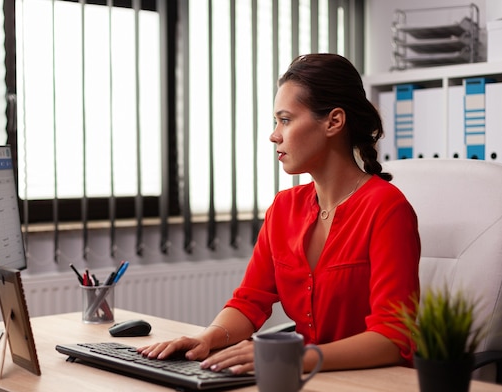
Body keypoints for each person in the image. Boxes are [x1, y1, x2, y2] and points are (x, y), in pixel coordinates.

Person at [138, 53, 420, 375]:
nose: (275, 134)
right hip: (305, 382)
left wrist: (295, 359)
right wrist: (206, 338)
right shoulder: (284, 208)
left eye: (285, 120)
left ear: (334, 122)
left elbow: (393, 337)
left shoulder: (387, 209)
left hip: (375, 387)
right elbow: (249, 302)